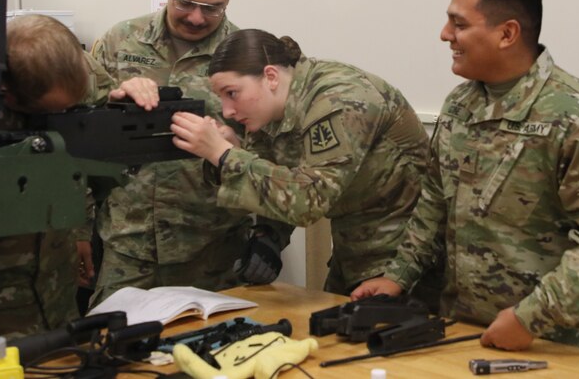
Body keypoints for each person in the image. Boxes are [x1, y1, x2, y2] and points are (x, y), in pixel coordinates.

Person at [351, 0, 579, 352]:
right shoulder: (460, 104)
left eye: (459, 24)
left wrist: (530, 318)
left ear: (507, 33)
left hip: (550, 343)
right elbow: (435, 203)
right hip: (463, 331)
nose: (445, 35)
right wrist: (398, 276)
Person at [88, 0, 284, 305]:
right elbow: (80, 139)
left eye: (212, 8)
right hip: (128, 248)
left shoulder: (252, 59)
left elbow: (280, 156)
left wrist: (271, 236)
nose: (196, 17)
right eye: (184, 2)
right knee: (113, 351)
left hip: (213, 251)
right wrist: (77, 234)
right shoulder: (119, 43)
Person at [170, 28, 433, 295]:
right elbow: (277, 177)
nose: (227, 110)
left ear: (270, 76)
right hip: (352, 254)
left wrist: (224, 155)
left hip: (404, 264)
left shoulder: (338, 98)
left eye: (232, 93)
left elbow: (309, 199)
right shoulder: (270, 110)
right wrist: (268, 235)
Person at [0, 14, 113, 349]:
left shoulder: (64, 63)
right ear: (7, 95)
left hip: (57, 290)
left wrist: (80, 229)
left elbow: (84, 148)